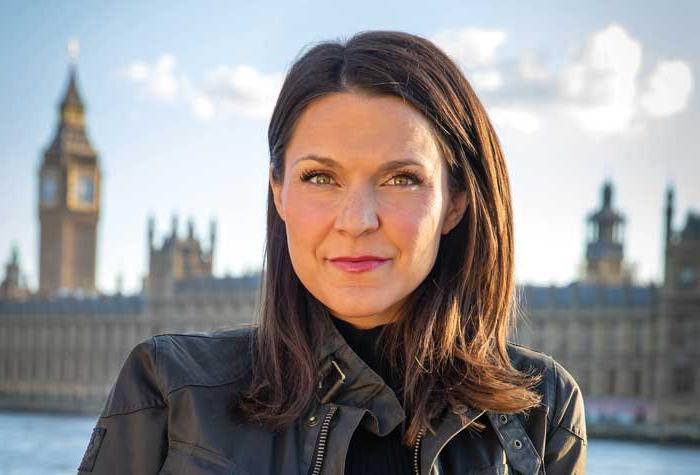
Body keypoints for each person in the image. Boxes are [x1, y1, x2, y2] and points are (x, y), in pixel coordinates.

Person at [77, 30, 586, 474]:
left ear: (456, 202)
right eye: (321, 177)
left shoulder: (541, 412)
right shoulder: (171, 389)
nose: (357, 221)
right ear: (278, 193)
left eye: (401, 179)